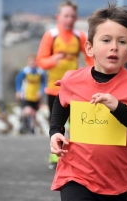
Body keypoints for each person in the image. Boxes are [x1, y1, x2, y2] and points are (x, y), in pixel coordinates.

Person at [49, 2, 127, 201]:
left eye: (121, 42)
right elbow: (61, 103)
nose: (114, 47)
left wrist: (119, 108)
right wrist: (55, 132)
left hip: (115, 183)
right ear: (89, 47)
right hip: (74, 176)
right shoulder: (72, 80)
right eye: (106, 40)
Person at [36, 0, 93, 169]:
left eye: (72, 16)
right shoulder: (51, 35)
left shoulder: (80, 36)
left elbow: (90, 59)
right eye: (66, 16)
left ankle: (77, 155)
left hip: (74, 88)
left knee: (77, 123)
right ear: (58, 17)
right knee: (57, 125)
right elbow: (40, 61)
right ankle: (56, 155)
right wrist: (54, 59)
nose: (69, 19)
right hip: (54, 88)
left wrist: (92, 74)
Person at [15, 54, 46, 134]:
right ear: (28, 62)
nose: (33, 63)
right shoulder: (25, 71)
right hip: (26, 95)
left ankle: (31, 128)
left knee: (34, 112)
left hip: (35, 96)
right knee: (27, 110)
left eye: (34, 61)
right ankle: (23, 125)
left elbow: (44, 83)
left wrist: (41, 92)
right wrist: (18, 91)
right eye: (31, 61)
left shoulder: (40, 72)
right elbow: (18, 81)